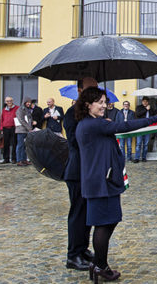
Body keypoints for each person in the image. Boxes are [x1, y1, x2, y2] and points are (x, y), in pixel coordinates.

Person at [76, 86, 157, 281]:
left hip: (101, 180)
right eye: (99, 102)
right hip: (101, 182)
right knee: (104, 224)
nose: (104, 105)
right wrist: (155, 119)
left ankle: (98, 263)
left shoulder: (92, 123)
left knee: (108, 221)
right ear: (88, 105)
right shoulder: (93, 124)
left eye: (104, 101)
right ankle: (100, 265)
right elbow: (125, 126)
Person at [63, 77, 98, 272]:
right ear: (79, 90)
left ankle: (83, 249)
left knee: (87, 214)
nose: (93, 91)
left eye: (96, 88)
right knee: (77, 214)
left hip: (90, 171)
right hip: (77, 171)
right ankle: (73, 255)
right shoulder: (72, 114)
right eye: (89, 88)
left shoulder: (92, 114)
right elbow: (76, 141)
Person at [133, 97, 156, 162]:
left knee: (146, 144)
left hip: (148, 128)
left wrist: (150, 109)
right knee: (138, 143)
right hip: (140, 128)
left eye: (146, 101)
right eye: (144, 101)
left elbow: (153, 116)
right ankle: (137, 158)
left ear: (148, 102)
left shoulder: (151, 108)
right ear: (142, 101)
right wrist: (146, 109)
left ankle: (144, 157)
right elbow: (138, 114)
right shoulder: (139, 107)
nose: (145, 102)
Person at [14, 97, 33, 166]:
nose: (29, 103)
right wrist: (29, 128)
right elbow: (21, 120)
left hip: (26, 130)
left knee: (25, 146)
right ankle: (19, 160)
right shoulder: (20, 109)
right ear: (24, 102)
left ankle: (24, 159)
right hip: (21, 130)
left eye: (30, 102)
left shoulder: (28, 109)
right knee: (20, 145)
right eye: (28, 102)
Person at [0, 97, 18, 164]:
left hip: (14, 128)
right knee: (6, 144)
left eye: (10, 101)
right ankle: (6, 158)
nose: (9, 102)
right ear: (5, 102)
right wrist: (1, 128)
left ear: (12, 101)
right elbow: (2, 119)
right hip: (5, 128)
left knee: (14, 143)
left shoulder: (17, 108)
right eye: (7, 101)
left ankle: (14, 158)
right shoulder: (4, 109)